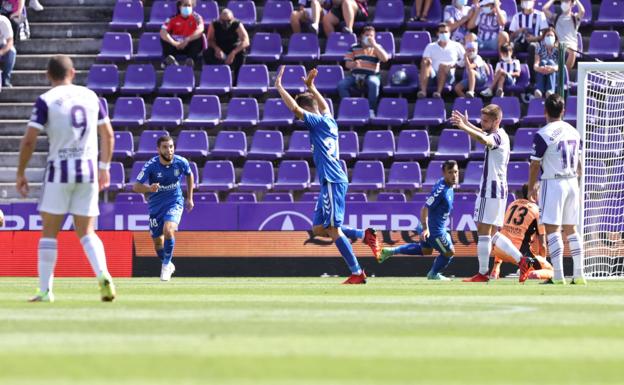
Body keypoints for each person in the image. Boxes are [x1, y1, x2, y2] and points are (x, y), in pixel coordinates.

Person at [16, 55, 116, 302]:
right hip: (89, 171)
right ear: (72, 72)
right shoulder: (91, 96)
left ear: (48, 75)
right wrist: (104, 166)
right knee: (87, 231)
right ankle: (103, 274)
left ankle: (45, 290)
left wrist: (21, 172)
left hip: (59, 171)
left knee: (49, 232)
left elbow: (29, 140)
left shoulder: (46, 100)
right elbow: (108, 135)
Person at [275, 66, 381, 284]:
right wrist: (312, 87)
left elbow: (295, 108)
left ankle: (357, 273)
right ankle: (364, 235)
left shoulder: (316, 122)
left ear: (308, 111)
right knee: (318, 228)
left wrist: (279, 87)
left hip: (333, 179)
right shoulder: (329, 121)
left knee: (332, 229)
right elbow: (324, 106)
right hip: (328, 181)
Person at [450, 104, 533, 283]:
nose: (482, 123)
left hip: (491, 189)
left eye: (486, 121)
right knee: (490, 232)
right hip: (495, 188)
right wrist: (468, 124)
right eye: (482, 120)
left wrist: (464, 127)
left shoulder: (498, 137)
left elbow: (485, 140)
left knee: (484, 231)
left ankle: (483, 273)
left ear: (497, 121)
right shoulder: (498, 134)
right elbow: (483, 134)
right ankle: (522, 261)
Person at [528, 94, 585, 285]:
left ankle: (558, 275)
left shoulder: (543, 134)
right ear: (563, 111)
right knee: (571, 229)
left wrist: (531, 187)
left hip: (553, 183)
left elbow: (535, 165)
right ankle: (579, 275)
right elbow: (579, 166)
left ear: (545, 111)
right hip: (572, 182)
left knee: (553, 230)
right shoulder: (574, 131)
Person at [378, 160, 459, 281]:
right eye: (450, 172)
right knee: (449, 253)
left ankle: (391, 251)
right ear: (444, 173)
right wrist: (426, 229)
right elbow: (425, 208)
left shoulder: (448, 186)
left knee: (425, 250)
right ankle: (433, 274)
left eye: (456, 172)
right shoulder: (441, 191)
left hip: (432, 227)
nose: (454, 175)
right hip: (433, 231)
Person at [132, 136, 194, 282]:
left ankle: (165, 266)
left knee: (169, 230)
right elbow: (135, 187)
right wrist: (149, 188)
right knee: (158, 243)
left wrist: (190, 197)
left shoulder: (181, 162)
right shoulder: (151, 165)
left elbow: (189, 175)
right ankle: (167, 262)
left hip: (175, 201)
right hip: (156, 206)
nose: (169, 150)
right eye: (165, 147)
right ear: (158, 149)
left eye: (171, 146)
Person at [489, 184, 553, 280]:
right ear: (534, 193)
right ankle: (532, 273)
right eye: (539, 192)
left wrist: (496, 265)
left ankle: (495, 270)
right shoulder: (537, 211)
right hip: (520, 254)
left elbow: (504, 232)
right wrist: (541, 262)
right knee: (552, 271)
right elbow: (543, 244)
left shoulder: (512, 204)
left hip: (499, 250)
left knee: (505, 235)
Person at [337, 26, 389, 117]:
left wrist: (374, 45)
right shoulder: (354, 47)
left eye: (371, 36)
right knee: (342, 85)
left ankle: (371, 109)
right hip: (355, 75)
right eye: (367, 35)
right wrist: (353, 64)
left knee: (374, 83)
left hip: (372, 75)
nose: (369, 37)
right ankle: (349, 108)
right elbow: (347, 64)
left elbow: (385, 59)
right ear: (361, 36)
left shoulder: (377, 47)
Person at [418, 22, 465, 99]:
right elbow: (425, 59)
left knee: (442, 65)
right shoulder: (430, 46)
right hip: (432, 76)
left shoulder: (457, 45)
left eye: (446, 32)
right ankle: (423, 91)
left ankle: (438, 93)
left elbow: (465, 60)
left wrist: (454, 65)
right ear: (437, 33)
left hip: (448, 75)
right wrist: (428, 62)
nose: (444, 34)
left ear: (449, 33)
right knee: (425, 62)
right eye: (441, 32)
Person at [509, 0, 548, 83]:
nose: (526, 2)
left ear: (534, 2)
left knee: (533, 47)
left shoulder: (540, 15)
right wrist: (519, 30)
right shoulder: (517, 16)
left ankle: (532, 78)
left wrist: (534, 38)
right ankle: (511, 75)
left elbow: (545, 35)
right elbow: (511, 35)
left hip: (535, 42)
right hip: (520, 43)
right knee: (511, 47)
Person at [204, 8, 250, 81]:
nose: (226, 23)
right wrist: (216, 49)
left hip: (233, 48)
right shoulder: (214, 24)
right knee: (207, 52)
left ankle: (237, 80)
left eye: (228, 21)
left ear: (233, 19)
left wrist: (233, 53)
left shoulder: (237, 24)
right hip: (219, 48)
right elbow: (209, 40)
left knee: (242, 53)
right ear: (219, 19)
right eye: (223, 21)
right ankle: (216, 78)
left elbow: (246, 41)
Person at [160, 0, 204, 67]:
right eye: (185, 5)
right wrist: (174, 42)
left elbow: (200, 29)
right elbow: (163, 31)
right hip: (176, 45)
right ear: (180, 7)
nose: (187, 7)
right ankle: (171, 60)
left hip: (189, 44)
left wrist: (187, 39)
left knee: (199, 37)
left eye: (189, 5)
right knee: (164, 37)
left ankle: (190, 61)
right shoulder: (172, 18)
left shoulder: (197, 17)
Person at [543, 0, 584, 72]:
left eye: (566, 1)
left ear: (572, 4)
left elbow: (582, 11)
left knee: (572, 52)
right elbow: (544, 9)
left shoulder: (575, 18)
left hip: (571, 46)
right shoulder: (556, 17)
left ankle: (564, 73)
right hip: (558, 45)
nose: (564, 3)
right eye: (562, 1)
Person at [533, 27, 560, 98]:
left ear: (555, 38)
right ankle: (539, 90)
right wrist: (540, 68)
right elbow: (536, 65)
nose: (549, 37)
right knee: (543, 62)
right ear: (544, 38)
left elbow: (561, 65)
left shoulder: (558, 49)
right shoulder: (539, 48)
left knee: (550, 62)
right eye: (548, 35)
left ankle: (550, 91)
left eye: (551, 36)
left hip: (555, 72)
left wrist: (552, 68)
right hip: (542, 72)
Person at [0, 14, 16, 88]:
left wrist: (1, 52)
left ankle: (5, 78)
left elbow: (10, 41)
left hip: (1, 47)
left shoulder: (3, 21)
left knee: (11, 51)